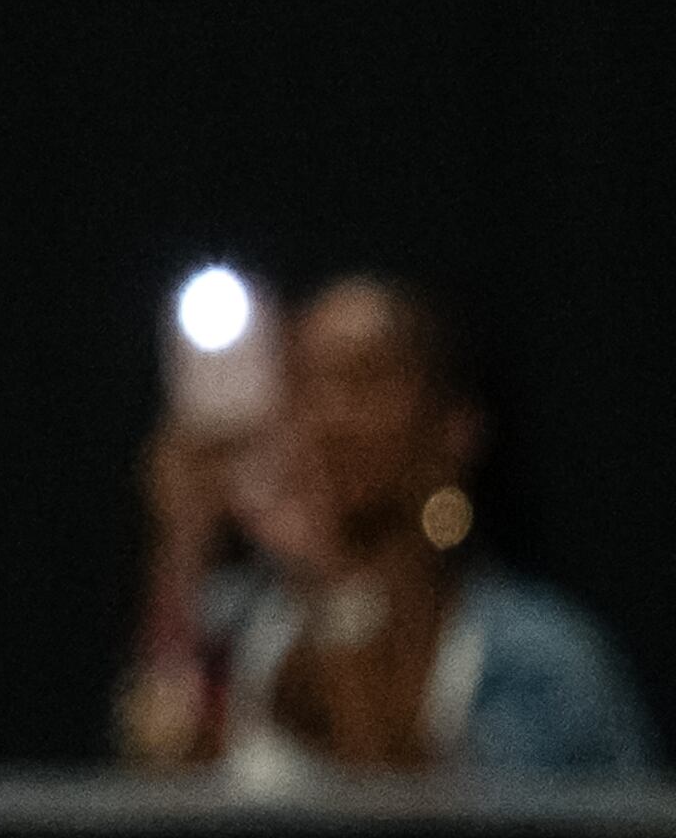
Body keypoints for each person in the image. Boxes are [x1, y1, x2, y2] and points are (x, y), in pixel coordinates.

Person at [123, 274, 652, 783]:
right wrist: (184, 541)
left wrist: (325, 568)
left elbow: (421, 833)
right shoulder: (237, 627)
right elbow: (157, 766)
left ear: (454, 428)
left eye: (367, 381)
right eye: (306, 382)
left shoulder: (542, 661)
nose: (330, 417)